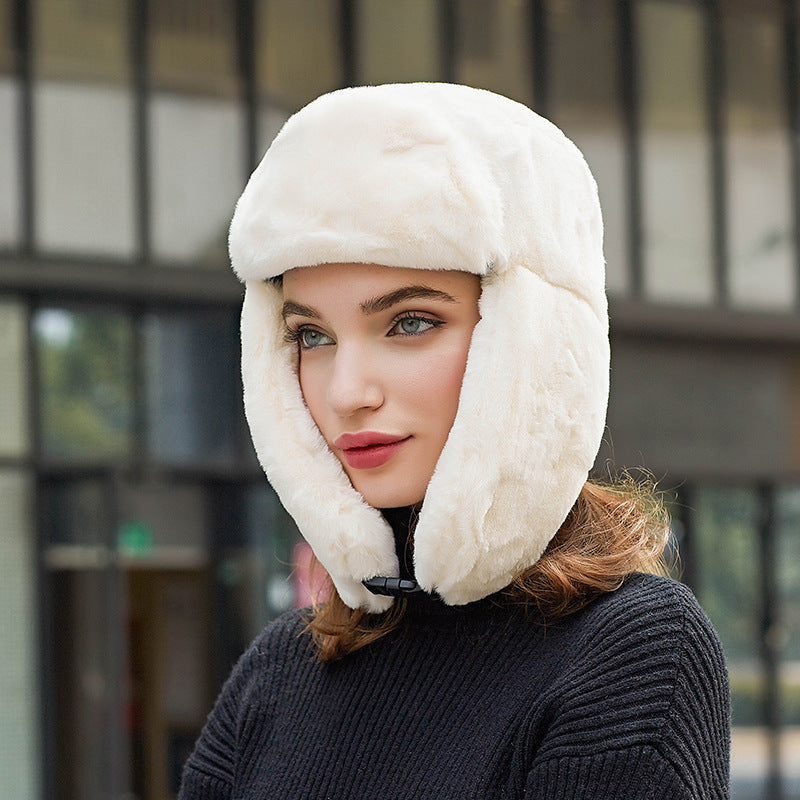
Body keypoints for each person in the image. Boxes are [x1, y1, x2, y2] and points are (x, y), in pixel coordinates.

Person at [179, 83, 730, 799]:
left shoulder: (632, 648)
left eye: (409, 322)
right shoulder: (279, 671)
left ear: (530, 342)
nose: (348, 390)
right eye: (310, 335)